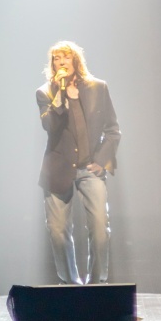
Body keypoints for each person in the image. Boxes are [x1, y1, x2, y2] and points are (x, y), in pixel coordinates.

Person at [36, 40, 121, 285]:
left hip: (90, 169)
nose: (61, 63)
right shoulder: (45, 92)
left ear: (76, 61)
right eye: (56, 59)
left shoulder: (98, 88)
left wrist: (102, 160)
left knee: (99, 229)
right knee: (58, 232)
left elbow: (113, 130)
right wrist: (60, 97)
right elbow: (49, 126)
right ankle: (70, 285)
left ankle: (97, 285)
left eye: (66, 58)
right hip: (58, 169)